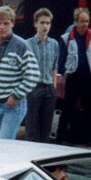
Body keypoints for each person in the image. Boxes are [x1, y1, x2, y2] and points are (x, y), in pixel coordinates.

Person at [0, 6, 39, 140]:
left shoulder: (21, 45)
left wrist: (16, 95)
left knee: (3, 141)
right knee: (5, 145)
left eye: (6, 23)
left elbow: (33, 75)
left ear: (12, 23)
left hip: (13, 104)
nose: (2, 27)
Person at [59, 7, 91, 145]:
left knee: (90, 108)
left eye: (87, 21)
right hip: (73, 76)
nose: (85, 24)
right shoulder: (66, 38)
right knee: (68, 108)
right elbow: (62, 58)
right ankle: (63, 137)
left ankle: (89, 138)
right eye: (82, 21)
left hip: (89, 77)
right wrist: (64, 72)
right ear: (76, 22)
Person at [25, 8, 60, 143]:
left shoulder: (54, 43)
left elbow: (54, 66)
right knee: (32, 127)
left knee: (46, 128)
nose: (45, 26)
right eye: (42, 23)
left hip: (49, 87)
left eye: (48, 23)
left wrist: (54, 86)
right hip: (34, 87)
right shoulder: (28, 44)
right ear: (35, 24)